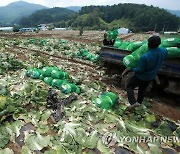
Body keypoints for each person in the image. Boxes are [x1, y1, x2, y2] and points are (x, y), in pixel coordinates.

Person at [126, 35, 168, 110]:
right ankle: (139, 102)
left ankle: (133, 102)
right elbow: (165, 57)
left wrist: (132, 68)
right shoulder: (163, 51)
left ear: (148, 44)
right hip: (151, 76)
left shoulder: (145, 56)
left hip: (141, 76)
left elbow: (140, 70)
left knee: (130, 87)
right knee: (142, 89)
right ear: (159, 44)